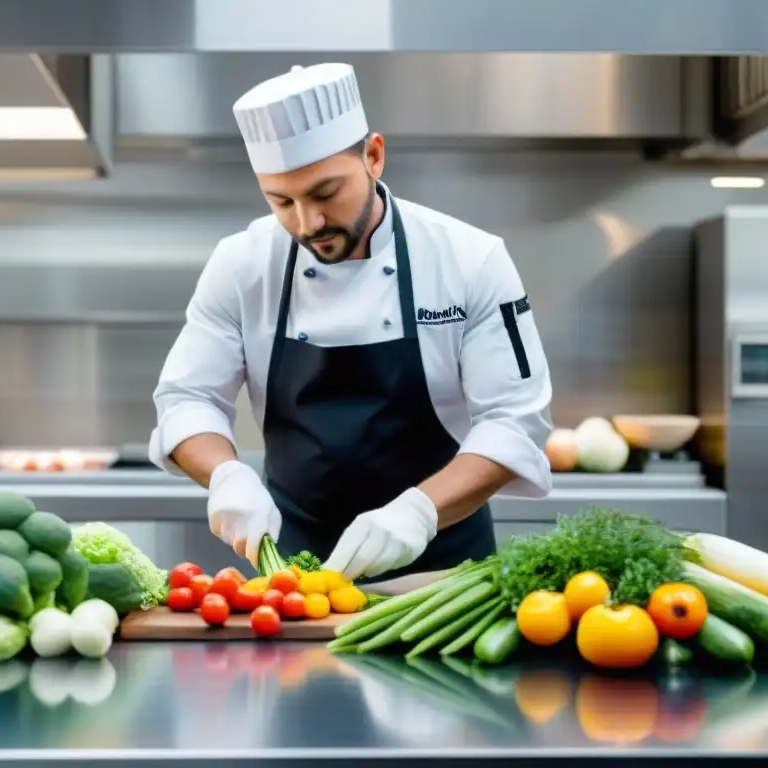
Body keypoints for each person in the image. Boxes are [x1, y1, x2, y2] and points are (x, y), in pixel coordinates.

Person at [148, 63, 554, 582]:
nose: (307, 223)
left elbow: (515, 421)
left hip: (445, 574)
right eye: (282, 202)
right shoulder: (242, 264)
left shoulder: (469, 259)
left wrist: (419, 513)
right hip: (294, 574)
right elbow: (188, 399)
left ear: (374, 156)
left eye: (324, 193)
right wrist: (227, 476)